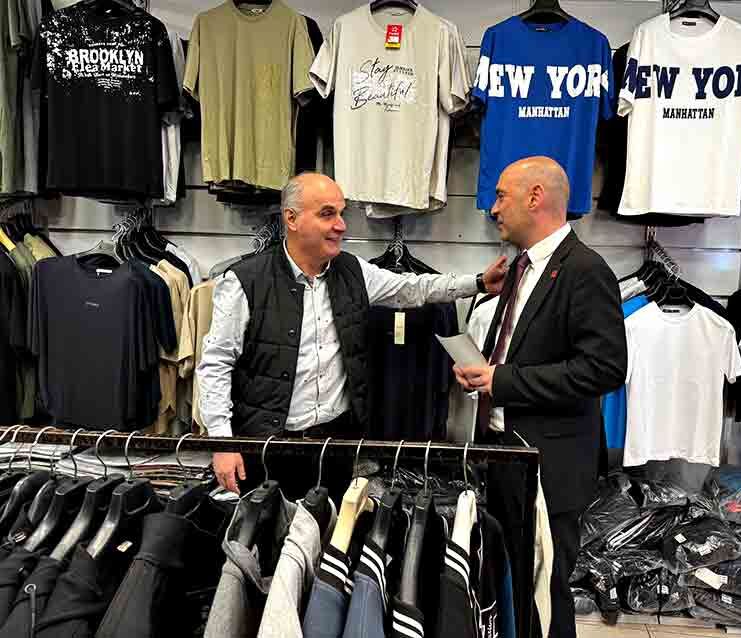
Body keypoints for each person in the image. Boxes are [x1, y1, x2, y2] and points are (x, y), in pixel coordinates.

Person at [198, 172, 508, 497]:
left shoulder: (353, 270)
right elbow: (216, 364)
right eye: (327, 214)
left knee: (334, 527)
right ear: (291, 219)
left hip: (337, 448)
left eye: (341, 213)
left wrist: (477, 283)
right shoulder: (244, 281)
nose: (341, 225)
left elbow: (412, 288)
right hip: (265, 449)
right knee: (267, 528)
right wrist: (223, 442)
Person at [454, 156, 627, 638]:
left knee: (547, 594)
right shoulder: (520, 267)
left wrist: (502, 382)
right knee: (510, 586)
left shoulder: (585, 270)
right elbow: (516, 349)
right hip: (504, 456)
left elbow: (605, 368)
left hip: (549, 466)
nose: (493, 208)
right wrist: (481, 374)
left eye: (501, 196)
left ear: (535, 197)